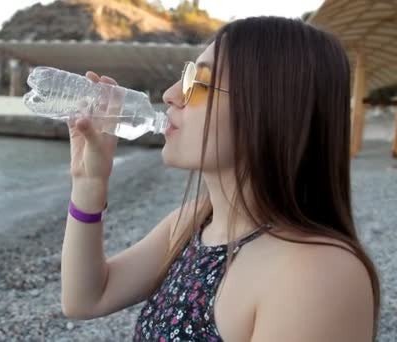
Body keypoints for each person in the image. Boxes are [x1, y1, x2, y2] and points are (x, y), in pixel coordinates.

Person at [60, 16, 379, 341]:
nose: (171, 95)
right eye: (185, 77)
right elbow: (86, 299)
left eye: (198, 84)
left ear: (269, 108)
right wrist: (88, 184)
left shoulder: (317, 275)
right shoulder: (191, 223)